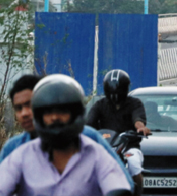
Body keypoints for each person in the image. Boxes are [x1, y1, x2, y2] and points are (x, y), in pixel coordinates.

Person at [0, 74, 132, 196]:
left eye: (29, 105)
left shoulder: (91, 144)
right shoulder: (16, 150)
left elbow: (121, 184)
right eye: (19, 108)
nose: (25, 113)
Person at [87, 69, 150, 195]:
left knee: (133, 164)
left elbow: (138, 119)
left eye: (118, 90)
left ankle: (138, 192)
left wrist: (140, 127)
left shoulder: (135, 103)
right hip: (105, 147)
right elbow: (89, 122)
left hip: (128, 147)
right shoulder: (100, 104)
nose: (115, 94)